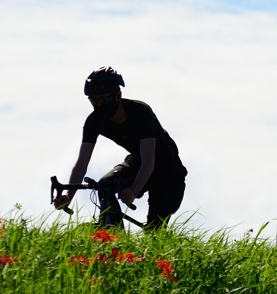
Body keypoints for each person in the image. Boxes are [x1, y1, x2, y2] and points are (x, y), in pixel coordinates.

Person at [52, 67, 187, 230]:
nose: (99, 106)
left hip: (168, 170)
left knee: (154, 230)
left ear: (118, 95)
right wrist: (68, 195)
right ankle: (115, 235)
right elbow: (81, 164)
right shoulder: (94, 121)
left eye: (104, 100)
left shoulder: (141, 112)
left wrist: (133, 191)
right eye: (94, 101)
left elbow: (149, 161)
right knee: (105, 185)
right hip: (138, 161)